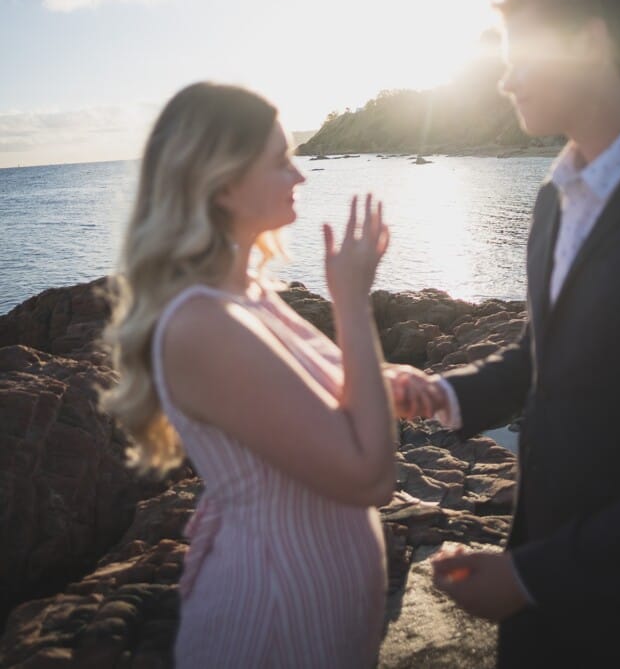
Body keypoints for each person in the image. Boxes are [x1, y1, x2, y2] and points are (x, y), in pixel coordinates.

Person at [99, 81, 429, 668]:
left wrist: (380, 378)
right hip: (274, 616)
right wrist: (352, 301)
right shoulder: (203, 323)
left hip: (321, 605)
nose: (299, 176)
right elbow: (370, 479)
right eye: (280, 160)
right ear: (223, 182)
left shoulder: (249, 292)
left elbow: (318, 407)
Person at [413, 0, 620, 667]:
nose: (504, 79)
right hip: (547, 569)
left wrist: (528, 575)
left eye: (520, 57)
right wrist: (443, 392)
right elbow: (539, 357)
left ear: (588, 42)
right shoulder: (556, 195)